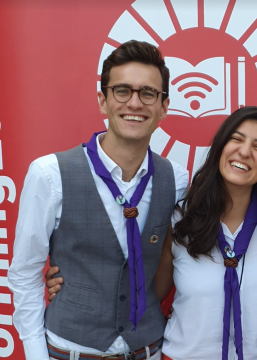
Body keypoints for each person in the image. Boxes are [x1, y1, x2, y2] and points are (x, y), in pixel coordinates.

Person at [46, 109, 257, 359]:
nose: (245, 151)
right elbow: (144, 290)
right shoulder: (179, 218)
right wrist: (74, 281)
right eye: (237, 139)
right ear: (220, 147)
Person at [7, 40, 189, 360]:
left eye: (148, 93)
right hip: (68, 351)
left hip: (148, 350)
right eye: (122, 91)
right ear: (103, 101)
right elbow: (24, 272)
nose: (135, 102)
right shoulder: (49, 174)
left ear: (163, 106)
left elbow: (179, 262)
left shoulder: (177, 180)